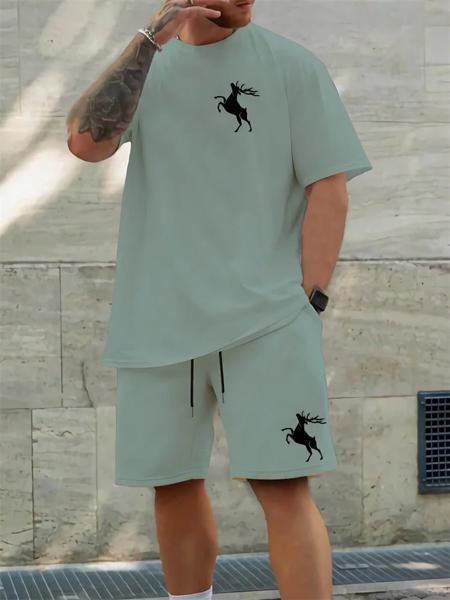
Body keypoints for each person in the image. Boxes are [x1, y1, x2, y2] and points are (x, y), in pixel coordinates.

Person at [66, 1, 373, 599]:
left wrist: (309, 301)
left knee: (283, 487)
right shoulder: (147, 67)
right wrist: (151, 37)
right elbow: (85, 144)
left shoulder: (293, 66)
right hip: (157, 326)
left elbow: (329, 187)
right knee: (172, 486)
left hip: (267, 322)